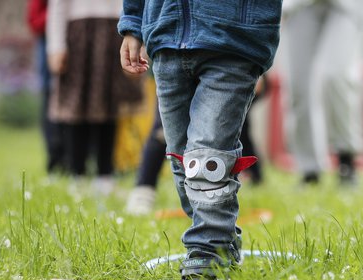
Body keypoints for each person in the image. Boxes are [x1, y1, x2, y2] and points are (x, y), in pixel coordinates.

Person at [118, 1, 282, 280]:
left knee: (207, 158)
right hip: (166, 40)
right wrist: (133, 23)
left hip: (233, 41)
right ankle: (222, 243)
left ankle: (208, 251)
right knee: (182, 159)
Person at [125, 76, 267, 216]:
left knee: (235, 127)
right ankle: (143, 190)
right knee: (163, 131)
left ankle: (250, 180)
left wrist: (259, 74)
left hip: (225, 67)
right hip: (175, 62)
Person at [46, 0, 143, 194]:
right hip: (78, 34)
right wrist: (56, 47)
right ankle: (77, 174)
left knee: (110, 104)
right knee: (77, 104)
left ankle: (105, 175)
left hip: (115, 30)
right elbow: (57, 7)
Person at [282, 0, 363, 185]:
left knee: (336, 76)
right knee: (299, 86)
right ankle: (309, 169)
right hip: (299, 6)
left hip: (349, 6)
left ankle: (346, 158)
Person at [26, 0, 66, 173]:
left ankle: (74, 158)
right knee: (50, 101)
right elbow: (34, 19)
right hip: (48, 42)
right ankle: (55, 159)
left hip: (78, 38)